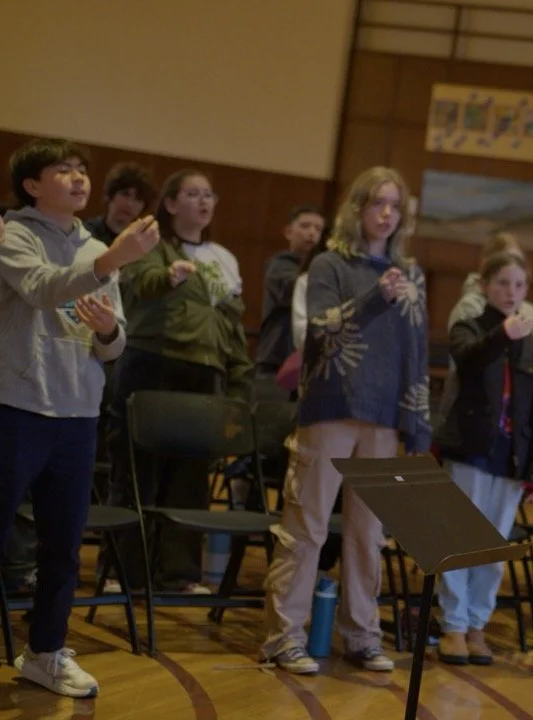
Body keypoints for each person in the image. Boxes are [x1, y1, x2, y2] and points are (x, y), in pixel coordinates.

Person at [0, 138, 159, 711]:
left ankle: (45, 653)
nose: (79, 179)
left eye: (82, 171)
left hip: (78, 413)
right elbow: (42, 288)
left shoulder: (101, 245)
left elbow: (114, 345)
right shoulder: (11, 233)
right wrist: (110, 263)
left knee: (62, 546)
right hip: (19, 406)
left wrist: (107, 329)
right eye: (64, 170)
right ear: (33, 185)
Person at [260, 166, 430, 675]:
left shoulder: (411, 274)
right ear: (357, 208)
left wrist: (417, 419)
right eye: (377, 202)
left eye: (395, 205)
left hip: (382, 418)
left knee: (368, 533)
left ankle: (361, 636)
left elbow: (415, 350)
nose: (386, 213)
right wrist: (377, 295)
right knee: (307, 527)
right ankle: (283, 638)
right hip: (331, 408)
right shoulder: (331, 264)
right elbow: (318, 332)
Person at [106, 169, 252, 595]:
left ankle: (179, 574)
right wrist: (170, 277)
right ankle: (124, 572)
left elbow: (232, 325)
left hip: (204, 370)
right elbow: (144, 284)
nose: (203, 202)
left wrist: (239, 382)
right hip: (153, 362)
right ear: (170, 204)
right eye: (192, 194)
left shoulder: (224, 257)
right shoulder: (149, 241)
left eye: (209, 194)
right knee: (138, 472)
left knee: (188, 477)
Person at [434, 251, 533, 666]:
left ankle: (475, 625)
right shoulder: (469, 328)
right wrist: (503, 334)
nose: (511, 292)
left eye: (519, 285)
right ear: (484, 285)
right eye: (503, 283)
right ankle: (452, 624)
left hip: (511, 459)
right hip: (469, 451)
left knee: (490, 548)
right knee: (457, 542)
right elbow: (467, 361)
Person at [436, 232, 533, 426]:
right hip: (470, 415)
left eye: (518, 261)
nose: (512, 267)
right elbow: (464, 361)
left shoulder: (528, 311)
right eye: (504, 261)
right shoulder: (469, 308)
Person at [255, 204, 325, 378]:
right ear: (288, 232)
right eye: (305, 226)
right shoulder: (279, 265)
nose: (312, 233)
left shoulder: (324, 269)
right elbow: (291, 292)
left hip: (307, 357)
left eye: (318, 229)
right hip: (276, 357)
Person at [83, 162, 156, 246]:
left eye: (138, 199)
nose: (129, 204)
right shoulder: (85, 232)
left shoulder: (142, 241)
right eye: (125, 194)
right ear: (110, 195)